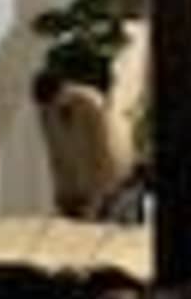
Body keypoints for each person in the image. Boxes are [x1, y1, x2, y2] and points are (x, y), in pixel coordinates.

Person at [31, 63, 132, 221]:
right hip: (76, 188)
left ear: (63, 90)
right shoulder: (46, 112)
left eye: (53, 102)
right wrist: (61, 194)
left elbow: (104, 152)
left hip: (107, 187)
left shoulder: (90, 103)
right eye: (47, 106)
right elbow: (56, 156)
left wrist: (97, 200)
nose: (51, 108)